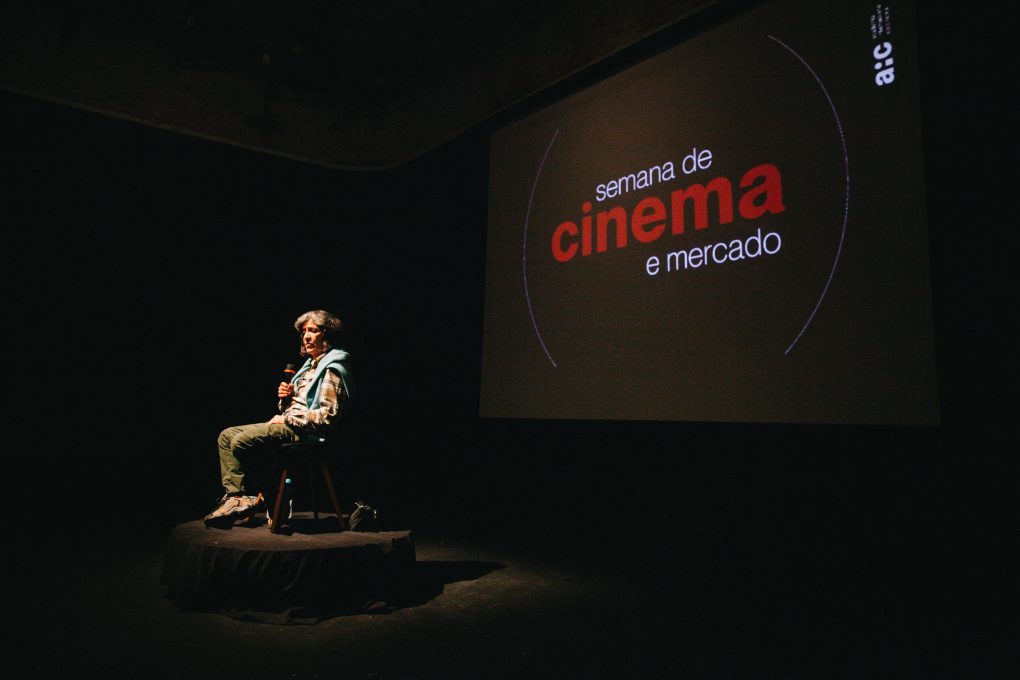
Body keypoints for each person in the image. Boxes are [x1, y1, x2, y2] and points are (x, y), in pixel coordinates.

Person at [203, 309, 356, 527]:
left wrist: (287, 419)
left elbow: (326, 417)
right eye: (304, 332)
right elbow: (295, 408)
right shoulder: (308, 367)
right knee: (226, 436)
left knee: (241, 441)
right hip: (291, 424)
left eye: (313, 331)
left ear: (327, 334)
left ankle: (275, 494)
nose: (306, 337)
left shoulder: (332, 368)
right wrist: (287, 399)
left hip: (307, 432)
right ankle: (238, 498)